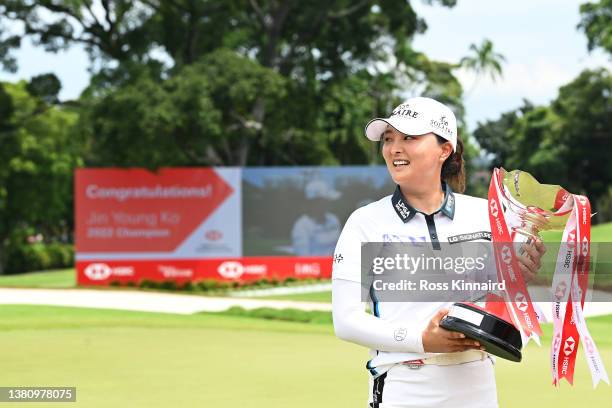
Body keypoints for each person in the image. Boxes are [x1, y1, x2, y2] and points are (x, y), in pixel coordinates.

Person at [331, 97, 546, 408]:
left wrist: (517, 278)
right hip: (405, 385)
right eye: (389, 139)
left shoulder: (487, 215)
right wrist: (421, 339)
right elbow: (346, 321)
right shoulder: (365, 222)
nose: (394, 148)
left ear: (444, 149)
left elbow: (501, 302)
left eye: (409, 137)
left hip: (478, 384)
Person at [291, 179, 342, 256]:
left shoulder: (333, 219)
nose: (329, 203)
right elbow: (304, 258)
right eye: (326, 200)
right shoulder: (302, 226)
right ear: (315, 202)